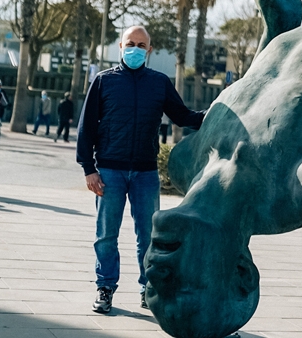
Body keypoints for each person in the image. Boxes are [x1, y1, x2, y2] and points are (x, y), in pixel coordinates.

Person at [76, 26, 205, 314]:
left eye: (141, 44)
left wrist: (216, 113)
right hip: (109, 171)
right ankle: (105, 287)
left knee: (148, 236)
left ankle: (149, 289)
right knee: (106, 235)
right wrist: (89, 168)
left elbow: (183, 116)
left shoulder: (159, 83)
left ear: (149, 49)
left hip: (146, 174)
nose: (135, 49)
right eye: (130, 43)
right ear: (120, 46)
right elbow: (86, 129)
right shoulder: (103, 81)